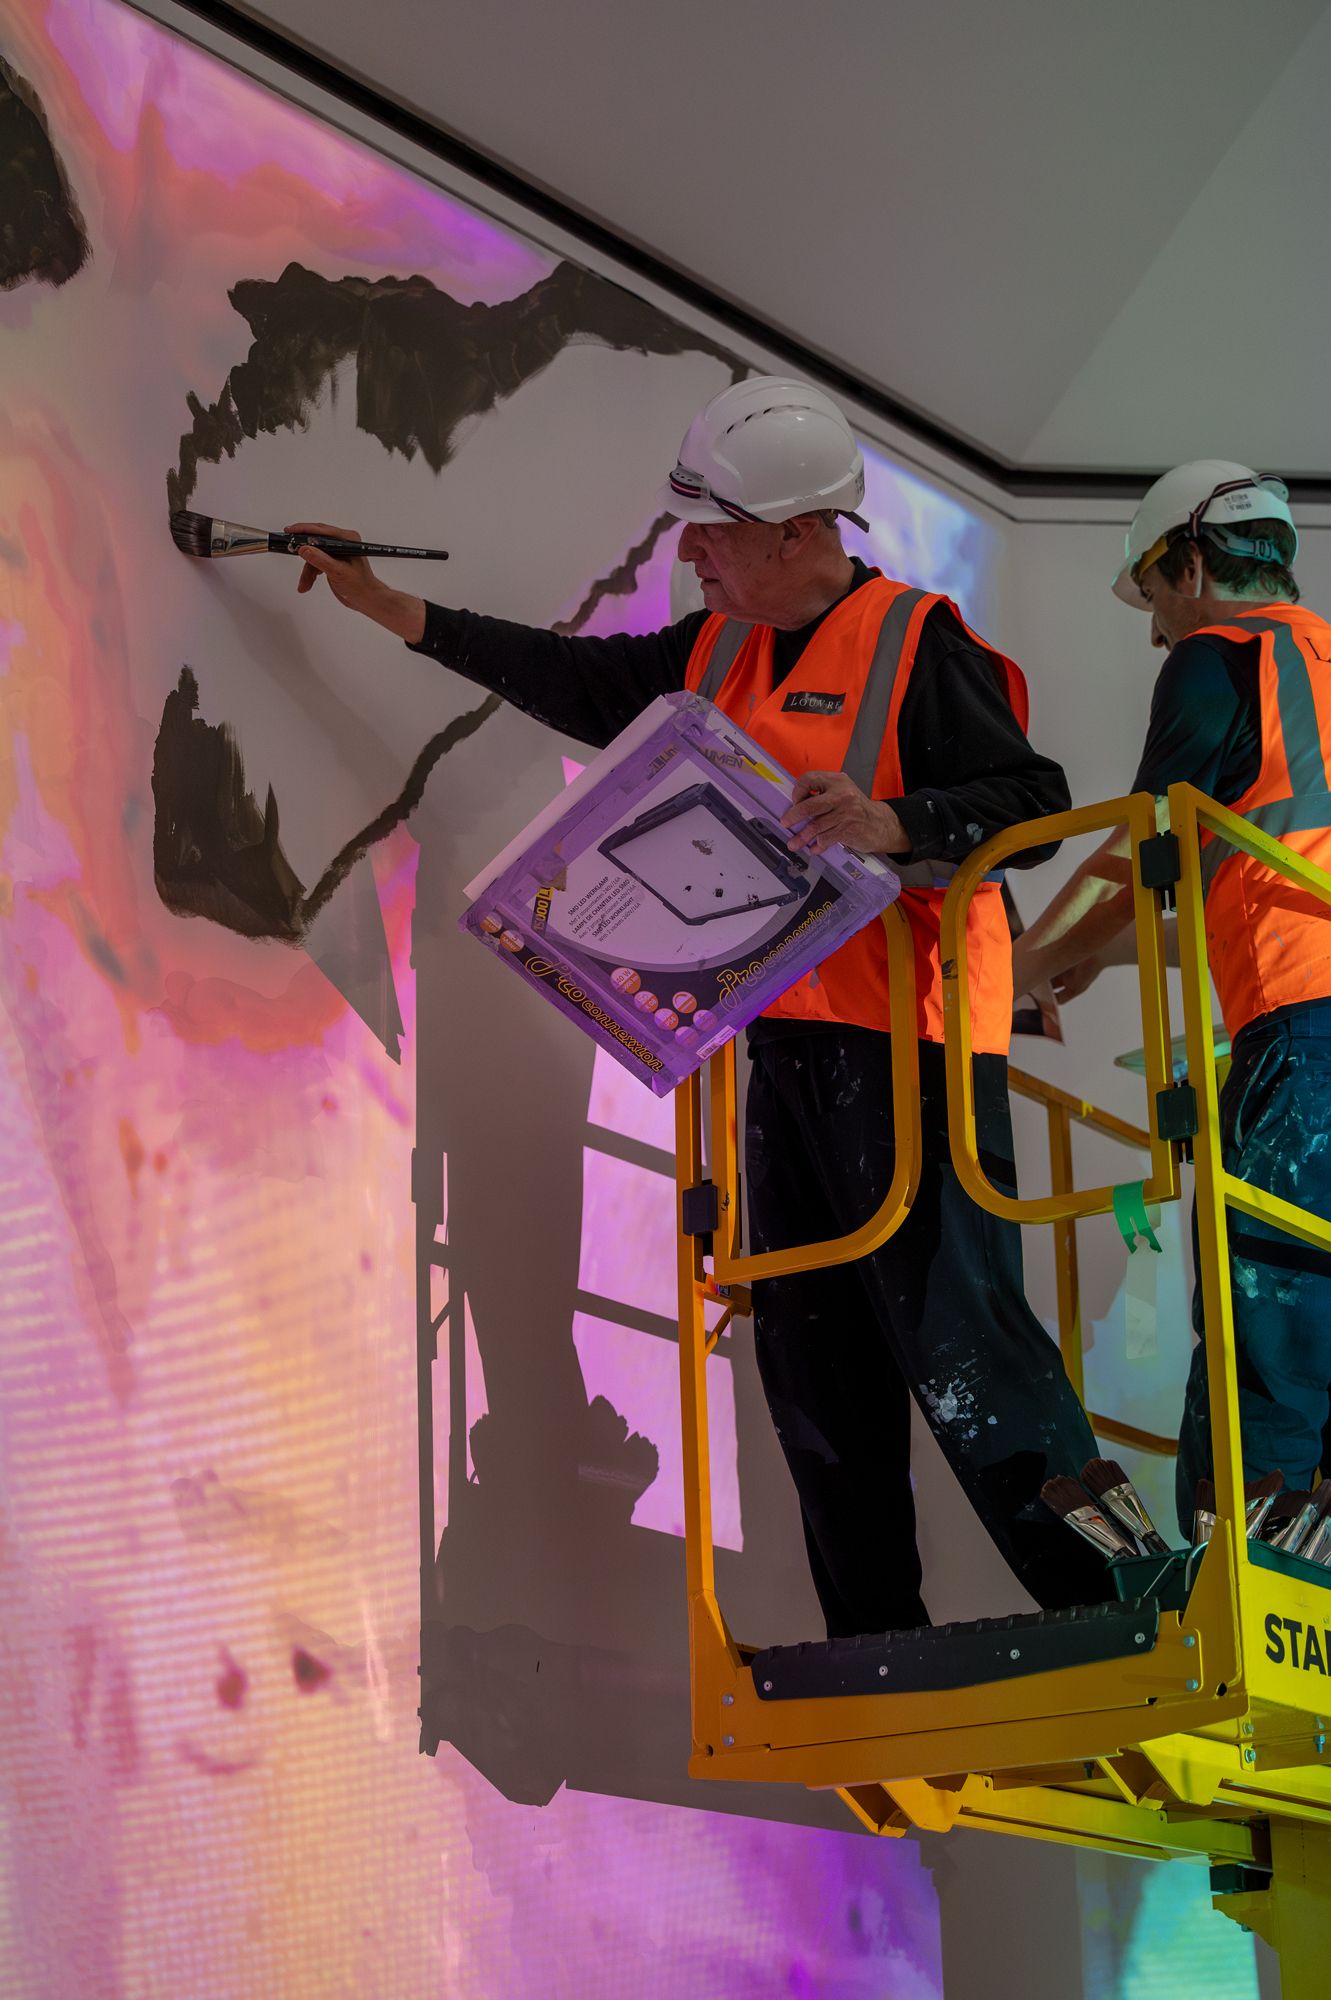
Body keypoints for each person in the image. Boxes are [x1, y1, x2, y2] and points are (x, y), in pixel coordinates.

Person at [291, 374, 1108, 1635]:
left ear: (794, 532)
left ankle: (1114, 1595)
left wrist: (900, 822)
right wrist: (390, 607)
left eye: (713, 528)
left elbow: (1037, 802)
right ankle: (870, 1644)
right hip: (773, 1046)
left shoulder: (915, 638)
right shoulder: (712, 647)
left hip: (913, 1048)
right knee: (806, 1350)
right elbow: (573, 678)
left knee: (963, 1346)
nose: (691, 552)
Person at [1011, 461, 1331, 1536]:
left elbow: (1147, 839)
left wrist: (1022, 963)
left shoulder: (1216, 654)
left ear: (1188, 564)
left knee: (1266, 1295)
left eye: (1152, 594)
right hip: (1308, 1003)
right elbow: (1248, 865)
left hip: (1302, 1028)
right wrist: (1094, 959)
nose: (1154, 630)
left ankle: (1251, 1568)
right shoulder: (1323, 666)